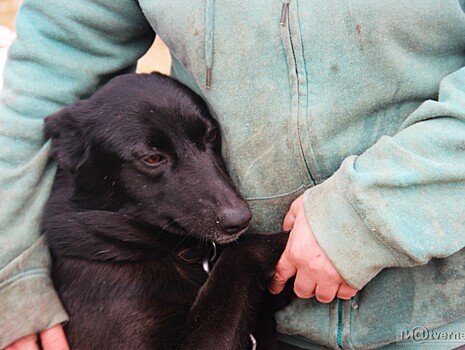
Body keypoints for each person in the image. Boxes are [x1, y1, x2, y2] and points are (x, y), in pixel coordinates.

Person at [1, 1, 465, 349]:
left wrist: (377, 211)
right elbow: (52, 66)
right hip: (261, 313)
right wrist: (10, 267)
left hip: (442, 318)